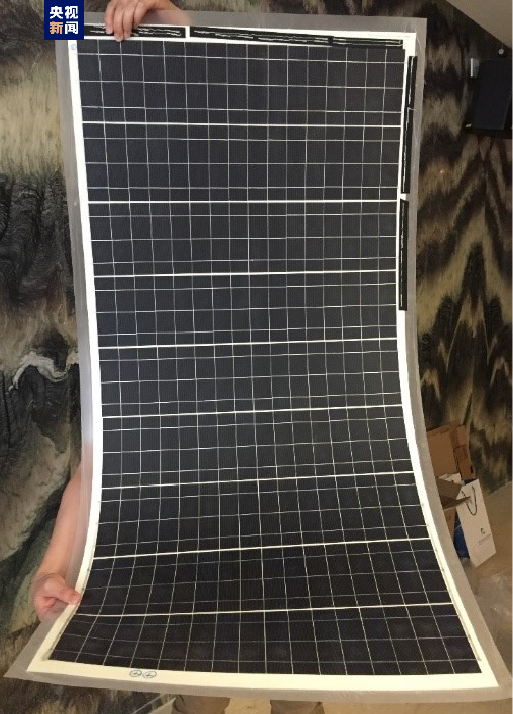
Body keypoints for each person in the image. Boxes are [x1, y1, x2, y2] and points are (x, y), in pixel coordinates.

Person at [33, 2, 326, 713]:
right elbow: (98, 468)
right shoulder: (139, 329)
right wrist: (54, 566)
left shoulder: (288, 322)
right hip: (196, 574)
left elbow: (243, 114)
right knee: (202, 699)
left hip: (285, 557)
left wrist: (182, 28)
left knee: (298, 695)